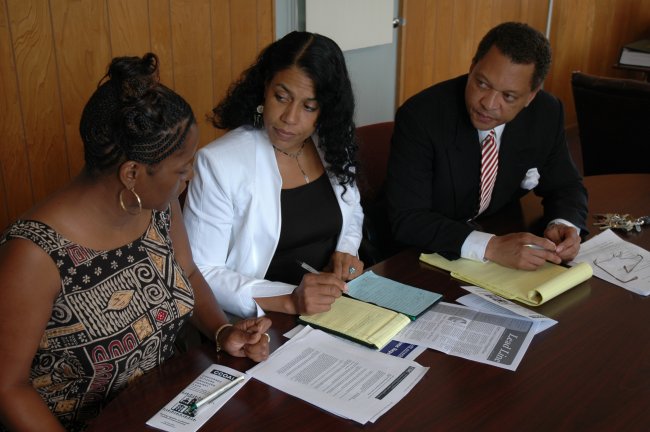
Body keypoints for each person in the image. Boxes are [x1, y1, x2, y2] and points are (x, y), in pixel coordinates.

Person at [0, 53, 270, 432]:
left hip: (171, 408)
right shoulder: (34, 255)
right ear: (132, 173)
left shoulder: (157, 206)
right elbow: (8, 387)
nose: (189, 176)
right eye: (182, 168)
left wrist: (223, 331)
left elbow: (187, 273)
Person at [183, 31, 364, 318]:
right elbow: (200, 271)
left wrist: (345, 251)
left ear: (325, 110)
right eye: (281, 97)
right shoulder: (219, 163)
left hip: (334, 308)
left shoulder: (332, 144)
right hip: (263, 321)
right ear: (264, 88)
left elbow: (352, 211)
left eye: (308, 106)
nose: (290, 118)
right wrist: (290, 298)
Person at [387, 22, 588, 271]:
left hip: (494, 234)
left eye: (509, 96)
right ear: (472, 67)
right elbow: (408, 219)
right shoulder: (422, 115)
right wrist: (491, 247)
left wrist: (564, 224)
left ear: (531, 96)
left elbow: (565, 185)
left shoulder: (546, 112)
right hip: (420, 254)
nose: (489, 104)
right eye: (482, 83)